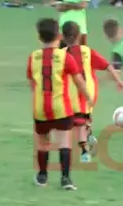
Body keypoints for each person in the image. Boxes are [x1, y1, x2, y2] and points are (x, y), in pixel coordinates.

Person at [28, 18, 93, 190]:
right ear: (59, 36)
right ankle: (66, 179)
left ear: (39, 38)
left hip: (40, 108)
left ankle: (42, 176)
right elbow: (79, 81)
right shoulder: (65, 57)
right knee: (64, 141)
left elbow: (32, 83)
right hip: (61, 107)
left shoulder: (33, 57)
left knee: (43, 143)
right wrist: (88, 97)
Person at [62, 21, 123, 162]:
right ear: (79, 35)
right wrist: (119, 81)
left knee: (76, 124)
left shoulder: (62, 54)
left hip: (70, 95)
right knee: (79, 123)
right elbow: (108, 66)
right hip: (89, 94)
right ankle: (86, 141)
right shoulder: (87, 52)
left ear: (63, 37)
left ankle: (84, 149)